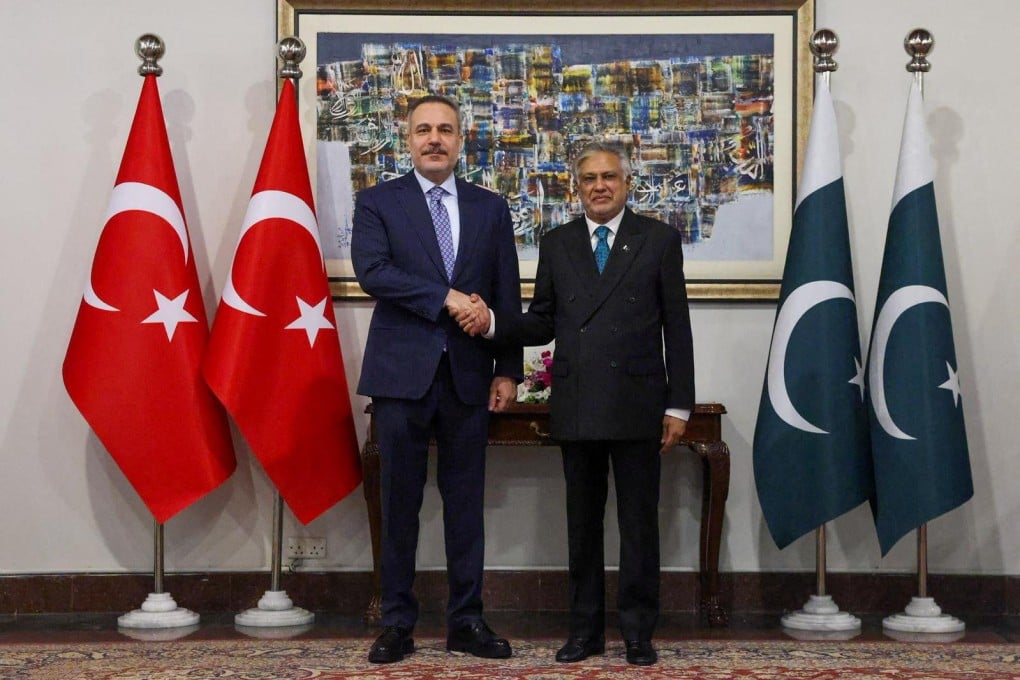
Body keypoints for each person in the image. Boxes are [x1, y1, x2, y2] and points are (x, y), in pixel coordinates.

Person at [460, 141, 694, 666]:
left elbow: (676, 327)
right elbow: (542, 319)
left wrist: (679, 405)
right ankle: (584, 631)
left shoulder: (657, 239)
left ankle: (638, 632)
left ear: (627, 183)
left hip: (638, 403)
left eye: (609, 176)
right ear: (576, 187)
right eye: (589, 178)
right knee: (582, 527)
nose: (599, 186)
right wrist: (496, 322)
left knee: (639, 526)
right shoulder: (558, 242)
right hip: (579, 402)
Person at [351, 94, 522, 664]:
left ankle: (466, 622)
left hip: (470, 377)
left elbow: (504, 291)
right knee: (399, 503)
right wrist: (446, 298)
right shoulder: (378, 202)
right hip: (401, 377)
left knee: (465, 504)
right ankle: (397, 622)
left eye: (445, 130)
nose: (434, 139)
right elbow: (373, 272)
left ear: (460, 139)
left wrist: (508, 369)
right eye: (423, 129)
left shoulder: (490, 208)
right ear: (407, 138)